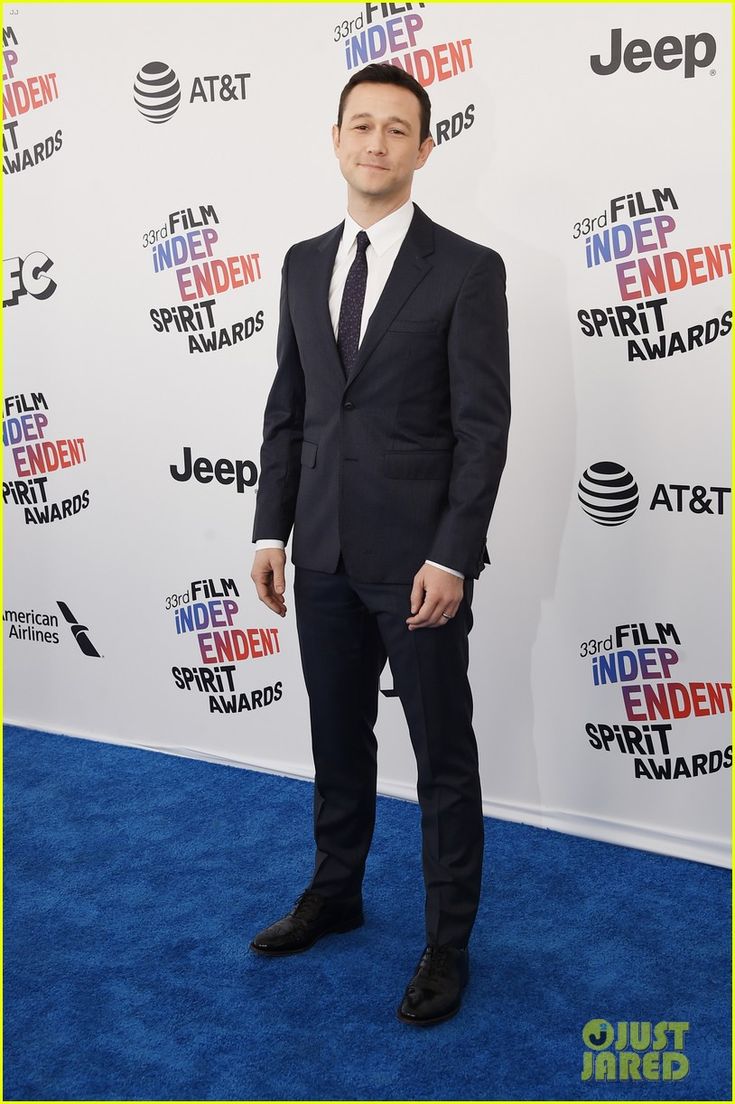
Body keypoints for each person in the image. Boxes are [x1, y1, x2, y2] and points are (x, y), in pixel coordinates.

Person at [249, 62, 510, 1027]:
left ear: (424, 148)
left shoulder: (468, 269)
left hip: (417, 566)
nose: (376, 143)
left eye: (397, 129)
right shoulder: (301, 261)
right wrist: (269, 527)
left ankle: (447, 940)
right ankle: (337, 891)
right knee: (335, 736)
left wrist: (452, 554)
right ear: (335, 138)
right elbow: (290, 408)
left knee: (441, 751)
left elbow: (484, 430)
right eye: (361, 125)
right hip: (314, 550)